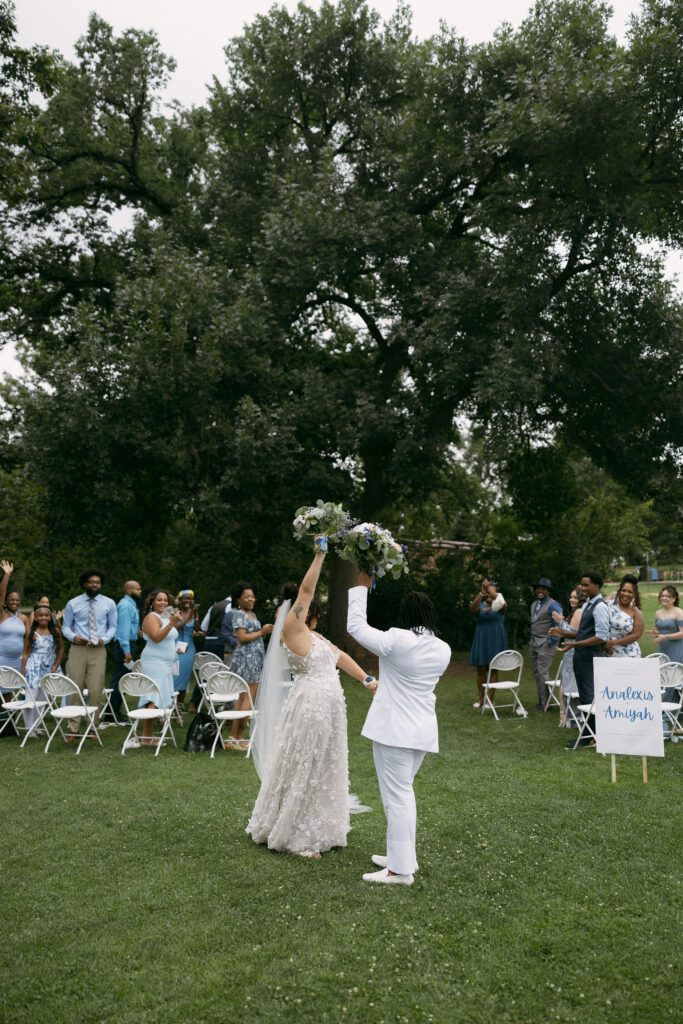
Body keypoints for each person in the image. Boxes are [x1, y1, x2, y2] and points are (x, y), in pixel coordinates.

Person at [247, 538, 375, 857]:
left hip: (330, 706)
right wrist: (320, 554)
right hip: (311, 705)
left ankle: (319, 827)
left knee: (325, 764)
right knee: (306, 763)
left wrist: (367, 679)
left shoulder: (316, 636)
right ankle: (299, 837)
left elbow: (340, 656)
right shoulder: (294, 629)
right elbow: (305, 591)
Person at [347, 573, 452, 885]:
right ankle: (401, 857)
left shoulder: (395, 640)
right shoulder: (443, 649)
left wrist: (361, 587)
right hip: (422, 730)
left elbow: (355, 627)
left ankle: (400, 871)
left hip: (395, 730)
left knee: (398, 796)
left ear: (404, 616)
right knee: (401, 794)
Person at [553, 572, 608, 750]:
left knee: (591, 697)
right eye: (581, 585)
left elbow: (601, 637)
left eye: (586, 585)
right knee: (585, 696)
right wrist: (564, 634)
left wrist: (574, 643)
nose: (582, 589)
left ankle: (593, 737)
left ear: (597, 586)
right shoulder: (586, 606)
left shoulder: (599, 607)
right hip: (582, 657)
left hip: (592, 657)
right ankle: (588, 735)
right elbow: (584, 632)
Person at [61, 569, 117, 736]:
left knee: (95, 689)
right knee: (75, 687)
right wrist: (74, 637)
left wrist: (104, 639)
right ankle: (73, 728)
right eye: (91, 582)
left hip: (98, 649)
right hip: (78, 648)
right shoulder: (73, 603)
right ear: (84, 584)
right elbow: (65, 626)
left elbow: (113, 626)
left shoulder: (109, 603)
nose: (94, 585)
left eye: (97, 583)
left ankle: (93, 727)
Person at [136, 589, 192, 747]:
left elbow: (168, 635)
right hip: (155, 662)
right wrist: (173, 623)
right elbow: (156, 637)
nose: (163, 603)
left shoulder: (164, 617)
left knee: (157, 696)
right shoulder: (151, 617)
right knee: (153, 697)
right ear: (152, 602)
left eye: (165, 600)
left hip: (166, 662)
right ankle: (146, 737)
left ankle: (148, 735)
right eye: (159, 600)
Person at [227, 581, 273, 750]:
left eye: (252, 596)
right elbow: (242, 637)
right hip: (247, 660)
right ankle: (238, 738)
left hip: (254, 658)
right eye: (247, 597)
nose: (251, 599)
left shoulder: (251, 613)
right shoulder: (240, 614)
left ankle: (234, 737)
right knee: (247, 698)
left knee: (243, 698)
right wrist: (262, 632)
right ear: (238, 599)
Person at [20, 606, 63, 736]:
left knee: (43, 698)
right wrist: (23, 671)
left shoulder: (55, 631)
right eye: (41, 615)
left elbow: (61, 649)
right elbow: (26, 653)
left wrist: (56, 665)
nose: (44, 617)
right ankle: (29, 728)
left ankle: (36, 725)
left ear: (50, 618)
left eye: (46, 615)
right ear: (36, 618)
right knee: (31, 698)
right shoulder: (32, 633)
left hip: (48, 667)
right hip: (33, 667)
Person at [107, 580, 143, 724]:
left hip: (129, 645)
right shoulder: (125, 606)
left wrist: (137, 632)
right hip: (125, 647)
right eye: (138, 589)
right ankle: (111, 714)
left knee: (122, 680)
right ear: (129, 591)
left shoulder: (131, 605)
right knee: (119, 681)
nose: (140, 591)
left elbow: (129, 627)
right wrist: (127, 651)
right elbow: (122, 631)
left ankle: (114, 712)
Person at [469, 578, 507, 709]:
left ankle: (490, 700)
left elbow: (502, 603)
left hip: (496, 639)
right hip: (482, 639)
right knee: (480, 670)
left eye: (492, 588)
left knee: (494, 669)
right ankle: (481, 699)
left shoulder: (500, 603)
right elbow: (473, 609)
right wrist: (481, 594)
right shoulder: (480, 604)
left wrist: (491, 591)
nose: (489, 592)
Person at [551, 587, 585, 727]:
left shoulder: (578, 611)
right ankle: (565, 716)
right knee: (565, 683)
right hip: (570, 651)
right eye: (571, 597)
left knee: (570, 685)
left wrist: (560, 621)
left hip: (574, 651)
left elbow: (573, 632)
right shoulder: (576, 612)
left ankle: (570, 718)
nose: (572, 599)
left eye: (575, 597)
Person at [529, 577, 563, 711]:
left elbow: (559, 625)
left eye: (543, 589)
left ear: (548, 591)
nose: (540, 591)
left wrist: (551, 641)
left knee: (543, 672)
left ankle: (546, 704)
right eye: (538, 588)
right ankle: (542, 701)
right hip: (534, 642)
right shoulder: (533, 604)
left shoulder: (553, 605)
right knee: (536, 672)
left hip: (546, 642)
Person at [172, 589, 202, 715]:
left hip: (189, 648)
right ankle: (169, 705)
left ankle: (179, 707)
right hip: (174, 647)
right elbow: (175, 627)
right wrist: (188, 617)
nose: (187, 601)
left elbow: (197, 628)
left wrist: (195, 616)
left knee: (184, 677)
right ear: (180, 600)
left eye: (190, 598)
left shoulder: (193, 612)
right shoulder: (175, 612)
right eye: (185, 598)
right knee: (173, 676)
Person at [0, 560, 28, 672]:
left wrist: (25, 658)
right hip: (2, 660)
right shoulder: (2, 614)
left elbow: (28, 641)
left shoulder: (23, 618)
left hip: (19, 661)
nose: (15, 602)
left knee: (17, 688)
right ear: (6, 601)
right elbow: (1, 594)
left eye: (17, 600)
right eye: (11, 600)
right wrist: (7, 575)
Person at [605, 578, 644, 658]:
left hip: (629, 654)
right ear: (619, 591)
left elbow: (636, 635)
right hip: (606, 651)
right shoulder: (607, 605)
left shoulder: (636, 612)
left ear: (634, 595)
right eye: (623, 590)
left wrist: (611, 643)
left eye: (630, 592)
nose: (626, 594)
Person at [646, 585, 683, 663]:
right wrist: (654, 633)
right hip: (663, 648)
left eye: (668, 596)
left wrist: (665, 637)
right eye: (662, 596)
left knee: (674, 672)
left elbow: (682, 633)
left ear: (674, 599)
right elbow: (659, 632)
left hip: (676, 649)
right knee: (662, 671)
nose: (664, 598)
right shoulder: (658, 613)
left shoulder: (679, 612)